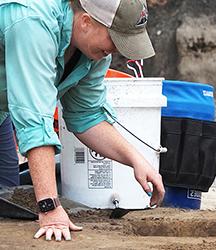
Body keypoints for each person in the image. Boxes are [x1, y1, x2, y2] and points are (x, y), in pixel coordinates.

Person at [0, 0, 165, 242]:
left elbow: (87, 116)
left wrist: (137, 160)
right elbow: (35, 119)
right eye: (115, 38)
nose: (117, 49)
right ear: (86, 21)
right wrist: (50, 207)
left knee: (5, 200)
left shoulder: (92, 52)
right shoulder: (33, 20)